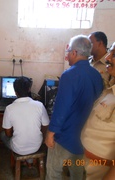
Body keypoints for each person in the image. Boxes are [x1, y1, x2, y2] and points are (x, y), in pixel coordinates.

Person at [45, 35, 103, 180]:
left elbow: (61, 108)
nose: (67, 56)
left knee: (53, 172)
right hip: (84, 138)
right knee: (77, 173)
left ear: (74, 53)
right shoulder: (96, 75)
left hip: (65, 137)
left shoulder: (69, 75)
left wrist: (50, 134)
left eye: (68, 52)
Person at [81, 42, 115, 180]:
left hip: (103, 171)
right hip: (88, 165)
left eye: (114, 54)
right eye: (110, 52)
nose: (107, 57)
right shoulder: (109, 89)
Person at [0, 76, 49, 164]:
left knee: (3, 134)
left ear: (15, 92)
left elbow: (8, 134)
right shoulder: (39, 105)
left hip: (18, 148)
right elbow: (45, 126)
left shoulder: (9, 108)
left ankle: (23, 159)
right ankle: (29, 160)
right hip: (37, 145)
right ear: (29, 89)